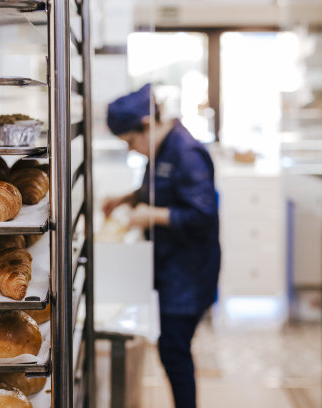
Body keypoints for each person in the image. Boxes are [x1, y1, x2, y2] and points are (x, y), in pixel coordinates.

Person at [103, 83, 220, 408]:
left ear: (146, 124)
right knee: (171, 346)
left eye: (130, 141)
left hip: (189, 272)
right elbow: (157, 190)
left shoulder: (185, 153)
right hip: (170, 266)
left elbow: (203, 215)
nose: (131, 150)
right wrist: (126, 199)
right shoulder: (161, 148)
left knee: (173, 349)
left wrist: (151, 216)